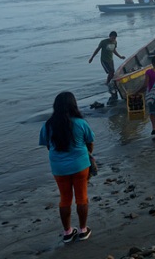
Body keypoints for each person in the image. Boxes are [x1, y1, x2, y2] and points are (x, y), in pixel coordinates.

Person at [39, 92, 95, 243]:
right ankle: (83, 230)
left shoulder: (48, 125)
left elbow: (48, 146)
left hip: (59, 168)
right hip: (80, 165)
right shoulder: (81, 123)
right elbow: (90, 142)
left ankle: (67, 233)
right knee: (82, 197)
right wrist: (87, 154)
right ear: (73, 105)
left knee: (65, 199)